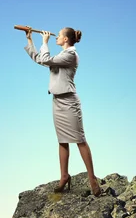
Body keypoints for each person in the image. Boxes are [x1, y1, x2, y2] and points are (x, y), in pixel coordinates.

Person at [23, 27, 101, 196]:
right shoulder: (60, 56)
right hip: (57, 101)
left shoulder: (70, 55)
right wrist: (30, 40)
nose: (56, 37)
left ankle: (92, 178)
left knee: (80, 140)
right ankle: (64, 177)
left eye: (58, 35)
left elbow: (45, 59)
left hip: (70, 102)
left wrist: (44, 42)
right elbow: (40, 59)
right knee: (62, 140)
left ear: (66, 39)